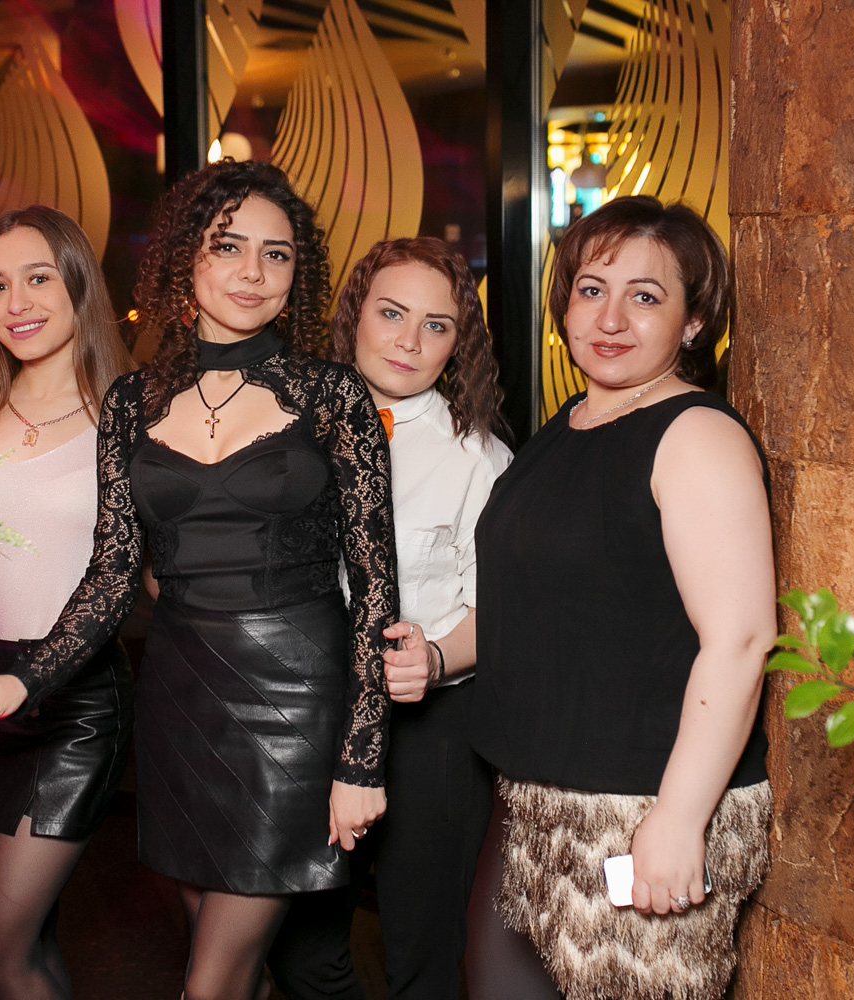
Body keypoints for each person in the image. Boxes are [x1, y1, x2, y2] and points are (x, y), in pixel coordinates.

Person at [0, 160, 399, 1000]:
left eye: (275, 255)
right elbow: (112, 573)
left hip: (296, 707)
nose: (252, 272)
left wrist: (362, 760)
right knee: (230, 964)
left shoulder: (332, 395)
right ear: (183, 261)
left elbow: (376, 585)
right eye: (228, 247)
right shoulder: (130, 404)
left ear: (297, 275)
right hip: (179, 704)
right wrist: (23, 681)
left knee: (211, 983)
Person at [465, 195, 774, 1000]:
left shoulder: (696, 435)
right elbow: (534, 605)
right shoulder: (569, 425)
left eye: (645, 296)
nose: (610, 318)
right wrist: (433, 655)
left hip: (638, 806)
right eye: (592, 289)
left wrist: (679, 819)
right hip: (530, 799)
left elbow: (740, 639)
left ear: (693, 321)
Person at [268, 238, 513, 999]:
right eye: (392, 313)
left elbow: (499, 606)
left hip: (431, 731)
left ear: (458, 344)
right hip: (306, 716)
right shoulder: (279, 428)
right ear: (355, 316)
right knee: (298, 952)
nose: (409, 340)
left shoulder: (477, 458)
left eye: (436, 325)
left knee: (422, 957)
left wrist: (435, 658)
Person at [0, 205, 136, 1000]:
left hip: (72, 704)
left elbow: (135, 573)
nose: (15, 303)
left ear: (78, 284)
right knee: (25, 946)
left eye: (38, 278)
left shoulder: (125, 418)